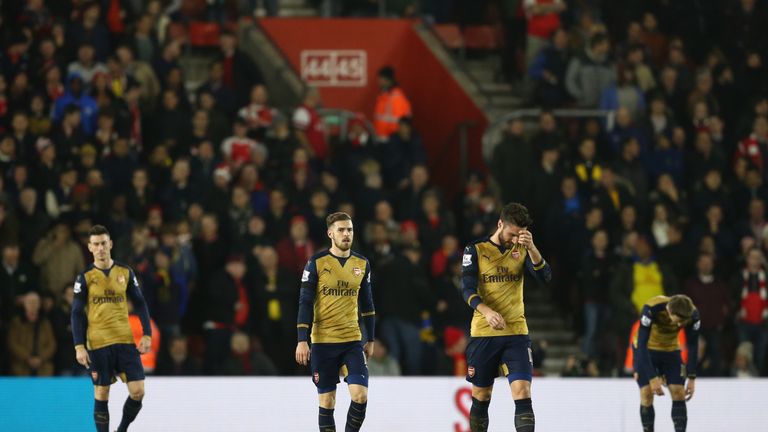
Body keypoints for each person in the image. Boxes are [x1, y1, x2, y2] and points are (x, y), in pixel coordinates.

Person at [461, 203, 552, 432]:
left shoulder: (522, 249)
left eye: (519, 235)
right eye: (512, 234)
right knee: (482, 396)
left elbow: (545, 277)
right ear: (500, 224)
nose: (514, 239)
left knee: (523, 392)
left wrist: (531, 247)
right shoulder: (476, 250)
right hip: (484, 332)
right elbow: (467, 289)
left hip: (516, 332)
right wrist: (487, 311)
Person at [295, 212, 376, 432]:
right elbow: (304, 303)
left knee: (360, 396)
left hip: (352, 340)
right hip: (323, 342)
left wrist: (370, 339)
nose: (346, 234)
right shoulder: (316, 263)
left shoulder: (362, 264)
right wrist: (302, 340)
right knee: (327, 401)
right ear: (330, 233)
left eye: (349, 229)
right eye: (341, 230)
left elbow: (367, 306)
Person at [71, 225, 153, 432]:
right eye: (96, 244)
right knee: (102, 392)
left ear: (111, 244)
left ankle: (122, 430)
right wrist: (79, 346)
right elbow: (76, 313)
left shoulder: (125, 272)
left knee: (138, 391)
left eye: (103, 243)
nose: (100, 248)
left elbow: (140, 303)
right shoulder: (85, 277)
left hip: (125, 340)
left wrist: (147, 334)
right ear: (90, 247)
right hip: (98, 342)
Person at [633, 294, 700, 432]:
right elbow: (641, 344)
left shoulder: (692, 314)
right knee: (646, 393)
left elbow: (693, 345)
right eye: (679, 320)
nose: (681, 324)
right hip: (647, 349)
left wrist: (692, 377)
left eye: (684, 320)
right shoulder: (652, 308)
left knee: (678, 392)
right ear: (670, 311)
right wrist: (652, 377)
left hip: (671, 349)